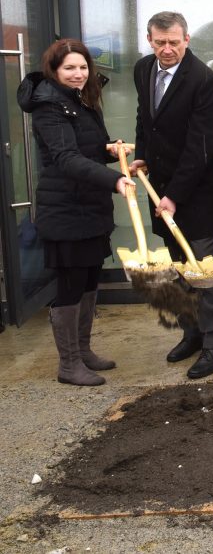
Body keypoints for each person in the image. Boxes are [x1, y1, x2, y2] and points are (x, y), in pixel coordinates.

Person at [17, 40, 133, 386]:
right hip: (66, 211)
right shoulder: (48, 108)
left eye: (82, 67)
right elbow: (66, 158)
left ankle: (83, 351)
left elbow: (89, 147)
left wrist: (113, 151)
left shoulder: (81, 101)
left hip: (90, 208)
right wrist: (114, 181)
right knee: (69, 286)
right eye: (69, 68)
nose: (78, 73)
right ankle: (68, 365)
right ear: (54, 70)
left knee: (88, 281)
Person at [129, 11, 213, 379]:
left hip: (197, 192)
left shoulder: (205, 81)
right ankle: (192, 333)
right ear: (149, 39)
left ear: (187, 39)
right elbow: (145, 117)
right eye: (160, 42)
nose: (167, 49)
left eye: (174, 42)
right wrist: (141, 153)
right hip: (160, 189)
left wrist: (174, 196)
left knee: (205, 271)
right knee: (177, 268)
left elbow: (200, 147)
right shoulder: (143, 70)